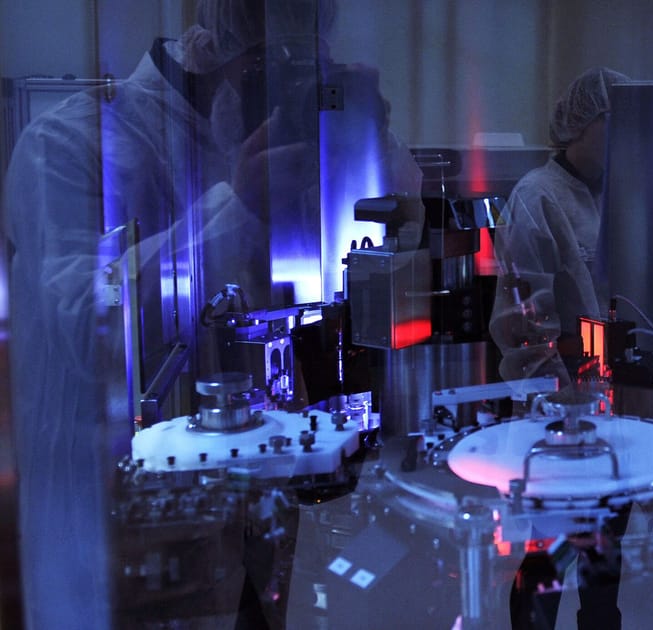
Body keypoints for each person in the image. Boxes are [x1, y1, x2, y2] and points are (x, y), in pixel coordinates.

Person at [2, 1, 420, 628]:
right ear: (217, 51)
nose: (283, 89)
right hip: (120, 533)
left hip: (262, 513)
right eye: (272, 68)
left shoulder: (291, 138)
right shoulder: (69, 144)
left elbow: (393, 240)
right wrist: (239, 207)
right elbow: (86, 329)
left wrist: (366, 135)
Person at [489, 67, 630, 387]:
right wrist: (561, 400)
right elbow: (527, 328)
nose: (623, 132)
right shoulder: (537, 197)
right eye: (612, 119)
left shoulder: (617, 193)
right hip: (564, 393)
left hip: (613, 383)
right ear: (580, 123)